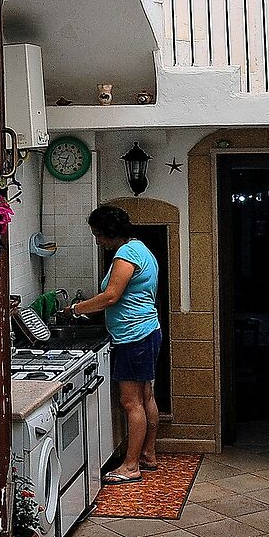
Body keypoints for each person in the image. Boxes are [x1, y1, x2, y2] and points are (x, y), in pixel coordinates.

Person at [71, 204, 161, 485]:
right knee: (146, 396)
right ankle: (147, 454)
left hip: (134, 337)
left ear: (110, 233)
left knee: (131, 401)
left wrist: (76, 309)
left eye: (98, 234)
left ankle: (131, 466)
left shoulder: (126, 253)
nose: (97, 240)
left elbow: (111, 296)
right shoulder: (140, 248)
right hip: (146, 332)